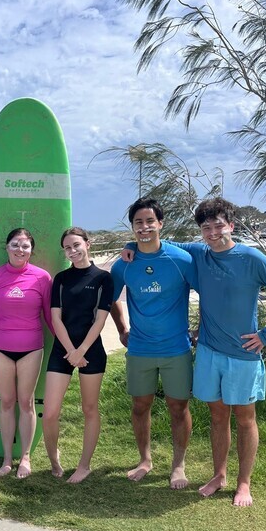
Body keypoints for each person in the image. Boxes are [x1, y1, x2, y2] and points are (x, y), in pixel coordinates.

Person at [123, 197, 266, 506]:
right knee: (217, 416)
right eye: (206, 228)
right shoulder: (200, 252)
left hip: (243, 352)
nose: (213, 233)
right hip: (209, 351)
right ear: (200, 231)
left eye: (218, 226)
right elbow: (159, 240)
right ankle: (219, 475)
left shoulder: (251, 257)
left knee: (245, 418)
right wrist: (130, 244)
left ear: (231, 225)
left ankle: (244, 483)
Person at [110, 198, 196, 489]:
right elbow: (111, 298)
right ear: (132, 227)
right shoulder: (124, 264)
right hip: (140, 348)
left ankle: (178, 464)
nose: (144, 227)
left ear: (161, 223)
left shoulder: (181, 259)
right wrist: (122, 329)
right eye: (138, 223)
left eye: (150, 221)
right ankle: (145, 460)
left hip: (176, 348)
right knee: (139, 406)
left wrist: (201, 328)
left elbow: (207, 291)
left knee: (178, 407)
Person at [0, 228, 52, 478]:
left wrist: (66, 346)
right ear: (6, 247)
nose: (20, 250)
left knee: (26, 402)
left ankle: (25, 458)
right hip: (0, 348)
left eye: (25, 246)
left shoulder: (42, 278)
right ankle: (7, 459)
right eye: (15, 244)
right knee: (6, 402)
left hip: (31, 348)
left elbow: (50, 316)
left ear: (31, 250)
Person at [43, 227, 114, 484]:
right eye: (67, 248)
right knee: (50, 412)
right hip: (63, 349)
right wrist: (71, 351)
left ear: (88, 244)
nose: (72, 251)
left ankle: (84, 465)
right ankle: (54, 459)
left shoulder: (103, 279)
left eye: (76, 245)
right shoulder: (60, 279)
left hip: (91, 350)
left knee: (89, 408)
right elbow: (55, 318)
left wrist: (81, 351)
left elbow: (100, 319)